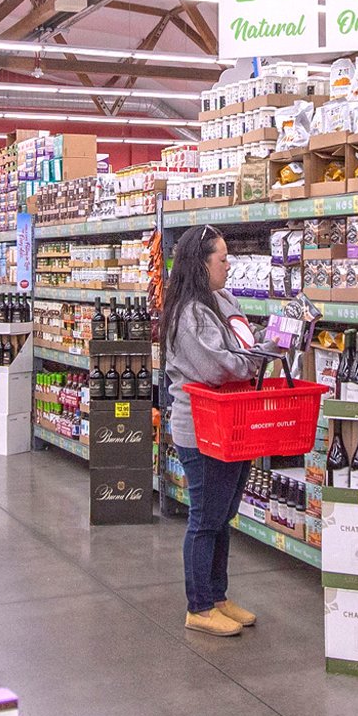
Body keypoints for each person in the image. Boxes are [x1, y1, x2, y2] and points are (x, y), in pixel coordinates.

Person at [161, 225, 264, 637]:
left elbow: (243, 344)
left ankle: (218, 596)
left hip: (231, 422)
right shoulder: (189, 313)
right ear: (201, 264)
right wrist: (259, 358)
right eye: (222, 258)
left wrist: (271, 339)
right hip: (201, 428)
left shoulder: (222, 300)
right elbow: (219, 366)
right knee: (205, 518)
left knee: (223, 515)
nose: (229, 265)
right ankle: (199, 607)